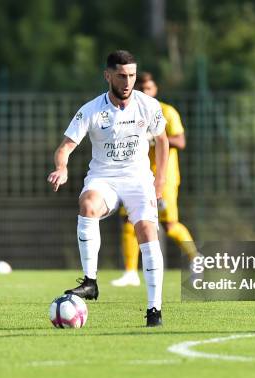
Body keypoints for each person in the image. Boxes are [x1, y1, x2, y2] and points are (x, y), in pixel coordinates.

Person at [47, 50, 169, 327]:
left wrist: (159, 181)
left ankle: (154, 310)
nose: (127, 82)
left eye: (132, 76)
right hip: (104, 178)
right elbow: (65, 147)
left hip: (138, 179)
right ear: (108, 76)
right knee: (88, 204)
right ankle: (90, 281)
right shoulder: (91, 110)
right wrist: (62, 168)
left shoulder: (148, 105)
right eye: (122, 76)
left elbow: (162, 141)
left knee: (147, 232)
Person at [112, 72, 200, 287]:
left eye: (148, 88)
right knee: (128, 221)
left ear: (155, 89)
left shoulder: (167, 111)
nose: (145, 92)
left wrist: (153, 138)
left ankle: (196, 258)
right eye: (140, 88)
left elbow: (180, 141)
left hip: (164, 177)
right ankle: (131, 272)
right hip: (136, 176)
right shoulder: (127, 112)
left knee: (169, 225)